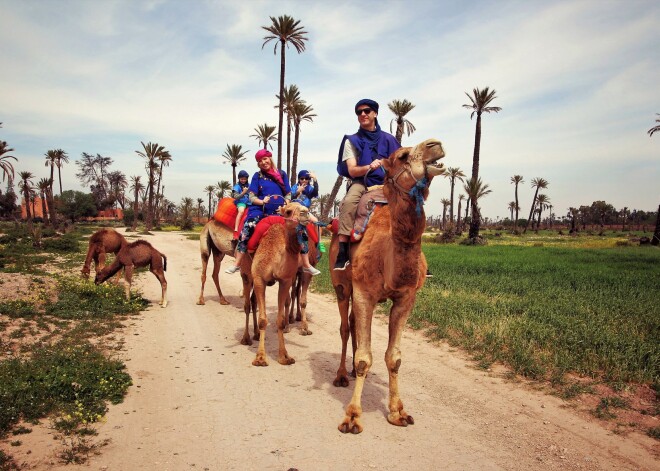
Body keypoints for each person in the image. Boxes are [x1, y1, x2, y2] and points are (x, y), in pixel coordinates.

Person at [225, 149, 320, 276]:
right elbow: (251, 197)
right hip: (260, 210)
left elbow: (287, 193)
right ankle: (237, 264)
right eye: (260, 161)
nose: (263, 162)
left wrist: (285, 203)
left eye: (265, 159)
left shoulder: (281, 174)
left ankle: (306, 264)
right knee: (247, 229)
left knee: (300, 227)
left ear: (270, 158)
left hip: (279, 211)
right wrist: (262, 201)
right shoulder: (257, 176)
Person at [333, 98, 400, 270]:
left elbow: (400, 163)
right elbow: (353, 170)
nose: (363, 114)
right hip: (362, 182)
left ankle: (415, 253)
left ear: (375, 113)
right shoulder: (351, 141)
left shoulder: (389, 140)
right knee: (348, 203)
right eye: (359, 112)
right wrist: (369, 167)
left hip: (387, 182)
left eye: (367, 111)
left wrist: (385, 163)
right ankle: (342, 252)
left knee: (411, 204)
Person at [231, 170, 250, 240]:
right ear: (239, 178)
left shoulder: (249, 185)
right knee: (241, 211)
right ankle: (236, 230)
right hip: (241, 202)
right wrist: (244, 192)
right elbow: (235, 196)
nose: (243, 180)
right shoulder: (237, 186)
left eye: (245, 179)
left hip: (249, 202)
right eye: (242, 179)